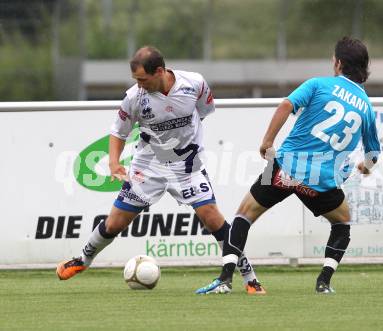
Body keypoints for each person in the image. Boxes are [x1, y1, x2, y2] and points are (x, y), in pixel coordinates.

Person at [56, 46, 265, 295]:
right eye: (136, 80)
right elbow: (118, 132)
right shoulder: (134, 97)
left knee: (212, 217)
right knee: (114, 224)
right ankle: (82, 259)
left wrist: (183, 142)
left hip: (187, 164)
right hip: (148, 165)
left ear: (160, 71)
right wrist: (114, 162)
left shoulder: (194, 83)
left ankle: (250, 279)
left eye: (143, 79)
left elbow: (204, 112)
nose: (139, 85)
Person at [196, 37, 381, 294]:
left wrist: (267, 141)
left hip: (284, 169)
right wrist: (365, 166)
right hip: (321, 183)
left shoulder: (319, 84)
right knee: (342, 225)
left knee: (243, 215)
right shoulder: (367, 109)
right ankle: (323, 282)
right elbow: (373, 154)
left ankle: (225, 278)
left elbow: (286, 104)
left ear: (338, 63)